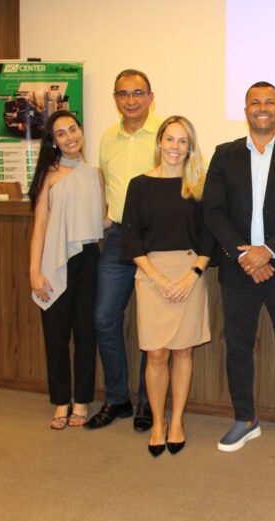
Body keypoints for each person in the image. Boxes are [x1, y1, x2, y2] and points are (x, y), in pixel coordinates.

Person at [203, 81, 275, 455]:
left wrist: (267, 252)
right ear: (246, 110)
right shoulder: (224, 155)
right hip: (237, 269)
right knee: (238, 346)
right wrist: (246, 256)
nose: (263, 107)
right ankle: (245, 419)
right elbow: (213, 211)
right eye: (256, 102)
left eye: (270, 101)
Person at [121, 116, 215, 457]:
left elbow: (209, 237)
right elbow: (131, 237)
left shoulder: (199, 186)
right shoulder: (139, 185)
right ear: (159, 141)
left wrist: (192, 275)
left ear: (190, 147)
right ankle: (158, 422)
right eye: (170, 139)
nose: (176, 147)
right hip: (150, 275)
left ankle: (177, 421)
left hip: (190, 273)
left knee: (183, 350)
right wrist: (157, 278)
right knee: (156, 352)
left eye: (183, 141)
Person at [87, 69, 161, 431]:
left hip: (157, 241)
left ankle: (148, 400)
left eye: (137, 93)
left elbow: (194, 178)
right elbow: (106, 183)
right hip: (118, 237)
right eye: (122, 94)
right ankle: (117, 399)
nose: (130, 100)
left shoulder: (167, 133)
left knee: (152, 323)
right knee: (104, 317)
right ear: (115, 98)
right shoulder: (107, 137)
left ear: (150, 97)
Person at [28, 110, 106, 429]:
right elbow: (40, 225)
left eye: (73, 129)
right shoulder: (48, 175)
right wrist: (34, 271)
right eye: (61, 133)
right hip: (54, 261)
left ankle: (82, 400)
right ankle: (61, 401)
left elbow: (101, 220)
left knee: (86, 334)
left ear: (81, 131)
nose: (70, 137)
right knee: (56, 335)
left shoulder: (95, 174)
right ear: (54, 141)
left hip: (88, 259)